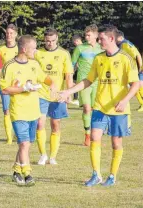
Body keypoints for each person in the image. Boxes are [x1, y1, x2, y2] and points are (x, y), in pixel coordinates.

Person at [58, 24, 139, 186]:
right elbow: (88, 80)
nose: (99, 41)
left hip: (118, 109)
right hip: (100, 107)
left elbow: (136, 84)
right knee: (94, 138)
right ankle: (96, 174)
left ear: (111, 38)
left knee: (116, 143)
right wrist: (69, 91)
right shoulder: (99, 58)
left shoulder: (125, 58)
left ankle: (112, 175)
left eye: (101, 38)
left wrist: (124, 101)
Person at [0, 35, 55, 186]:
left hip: (33, 111)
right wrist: (23, 88)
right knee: (24, 143)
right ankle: (28, 173)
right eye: (33, 48)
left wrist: (53, 85)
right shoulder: (9, 66)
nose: (35, 51)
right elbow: (4, 89)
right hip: (18, 111)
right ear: (24, 49)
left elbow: (44, 78)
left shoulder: (34, 64)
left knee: (26, 144)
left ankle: (17, 170)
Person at [35, 28, 74, 165]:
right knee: (40, 123)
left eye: (52, 40)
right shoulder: (38, 53)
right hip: (41, 94)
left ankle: (52, 156)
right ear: (44, 40)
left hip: (58, 96)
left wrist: (69, 93)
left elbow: (68, 76)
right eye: (47, 41)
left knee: (55, 124)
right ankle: (43, 155)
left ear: (57, 39)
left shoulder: (64, 54)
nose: (50, 43)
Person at [71, 24, 103, 146]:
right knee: (86, 108)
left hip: (97, 83)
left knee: (96, 109)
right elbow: (71, 65)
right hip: (83, 83)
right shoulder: (79, 48)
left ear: (95, 35)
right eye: (85, 34)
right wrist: (69, 82)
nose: (86, 37)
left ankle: (96, 133)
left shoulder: (101, 49)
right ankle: (87, 135)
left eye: (89, 35)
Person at [0, 24, 18, 144]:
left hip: (19, 86)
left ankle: (18, 135)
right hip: (5, 85)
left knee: (17, 110)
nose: (9, 35)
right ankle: (9, 138)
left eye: (11, 33)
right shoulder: (0, 50)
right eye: (7, 33)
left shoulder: (21, 48)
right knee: (6, 110)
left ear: (16, 34)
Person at [116, 30, 143, 112]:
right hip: (131, 68)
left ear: (120, 37)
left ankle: (142, 103)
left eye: (115, 38)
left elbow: (137, 54)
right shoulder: (125, 43)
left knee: (135, 87)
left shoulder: (125, 44)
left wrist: (140, 67)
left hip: (132, 69)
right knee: (136, 87)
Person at [71, 34, 83, 106]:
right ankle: (77, 99)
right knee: (75, 83)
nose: (74, 43)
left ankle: (78, 100)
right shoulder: (79, 48)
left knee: (79, 84)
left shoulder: (81, 48)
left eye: (74, 42)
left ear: (78, 40)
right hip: (77, 68)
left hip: (81, 69)